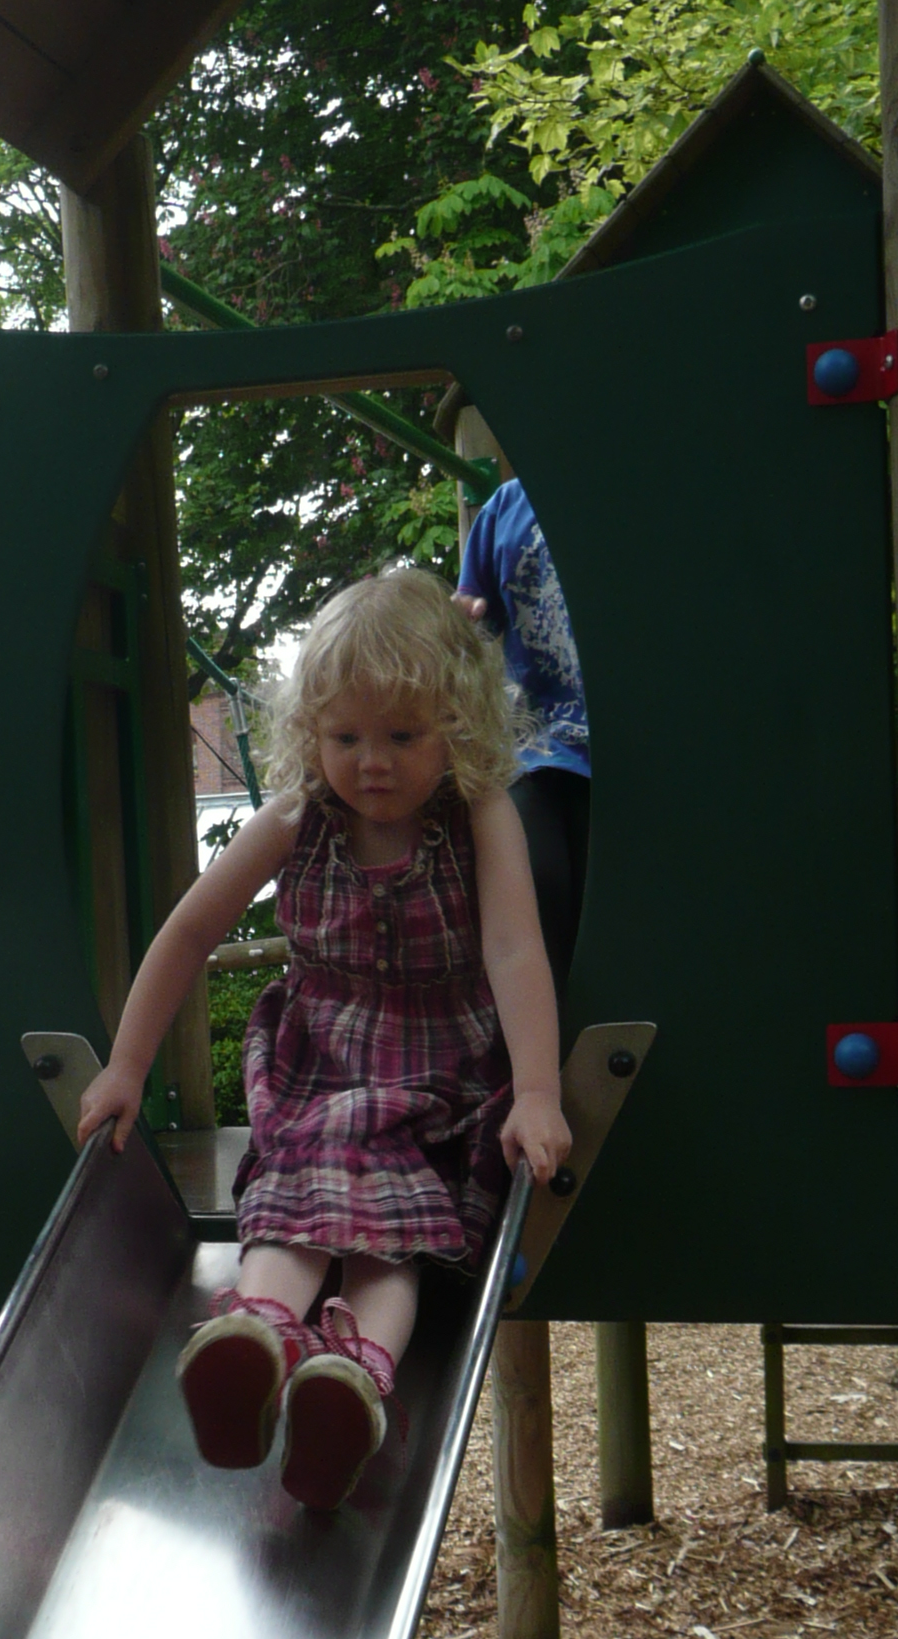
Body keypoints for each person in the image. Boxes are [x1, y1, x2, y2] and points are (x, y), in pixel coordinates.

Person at [77, 565, 571, 1511]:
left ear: (457, 727)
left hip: (442, 1077)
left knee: (397, 1239)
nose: (371, 761)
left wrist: (539, 1091)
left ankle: (351, 1381)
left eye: (402, 736)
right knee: (295, 1197)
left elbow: (514, 947)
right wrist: (127, 1066)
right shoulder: (296, 816)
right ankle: (254, 1338)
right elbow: (190, 929)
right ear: (312, 733)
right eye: (345, 737)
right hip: (323, 1064)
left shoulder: (478, 815)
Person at [455, 471, 591, 991]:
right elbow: (471, 627)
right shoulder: (506, 508)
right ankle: (545, 1032)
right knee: (533, 880)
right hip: (539, 748)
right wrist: (459, 625)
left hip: (638, 749)